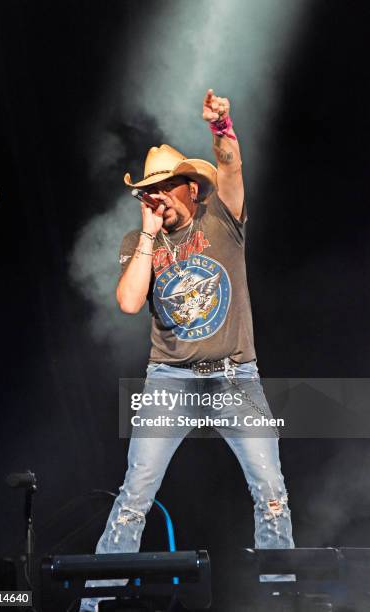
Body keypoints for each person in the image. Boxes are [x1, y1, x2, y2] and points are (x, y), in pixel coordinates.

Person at [80, 89, 294, 611]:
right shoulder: (142, 242)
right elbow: (130, 303)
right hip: (169, 381)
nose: (155, 199)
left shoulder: (223, 218)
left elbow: (231, 166)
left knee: (271, 491)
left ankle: (284, 598)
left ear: (190, 188)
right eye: (148, 192)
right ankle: (94, 603)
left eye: (163, 189)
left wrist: (223, 127)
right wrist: (149, 236)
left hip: (235, 377)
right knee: (135, 496)